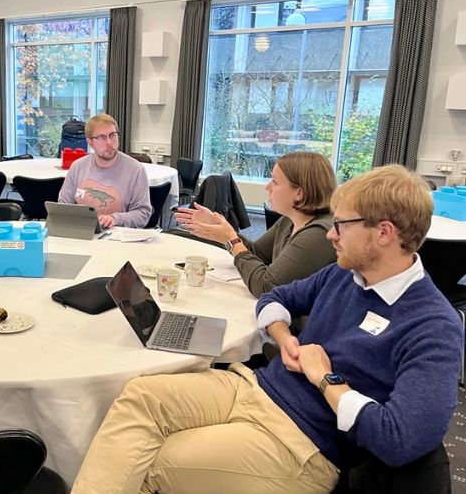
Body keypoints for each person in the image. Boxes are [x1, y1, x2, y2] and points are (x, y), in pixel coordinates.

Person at [71, 165, 463, 494]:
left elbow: (401, 441)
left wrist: (327, 379)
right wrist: (284, 337)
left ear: (384, 233)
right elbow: (273, 300)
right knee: (139, 396)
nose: (331, 234)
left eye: (341, 225)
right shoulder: (346, 275)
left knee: (148, 460)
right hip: (254, 388)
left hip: (300, 444)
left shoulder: (433, 326)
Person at [176, 152, 337, 298]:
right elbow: (258, 254)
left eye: (275, 181)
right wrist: (224, 231)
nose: (268, 186)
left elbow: (265, 287)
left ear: (299, 193)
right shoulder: (291, 218)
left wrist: (232, 240)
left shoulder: (318, 234)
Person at [58, 114, 152, 229]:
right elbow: (63, 205)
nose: (109, 142)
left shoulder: (136, 170)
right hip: (82, 233)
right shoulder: (77, 167)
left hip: (119, 237)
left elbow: (143, 214)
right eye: (102, 137)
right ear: (90, 142)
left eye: (112, 135)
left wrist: (115, 218)